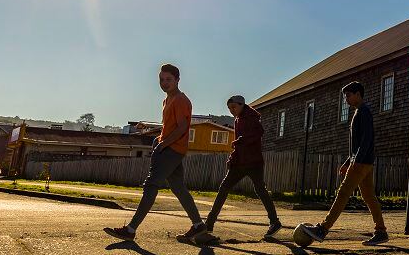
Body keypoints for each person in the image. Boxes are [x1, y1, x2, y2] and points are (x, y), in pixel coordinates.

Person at [104, 64, 206, 243]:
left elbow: (183, 128)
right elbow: (169, 127)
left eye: (169, 79)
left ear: (177, 80)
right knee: (178, 188)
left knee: (151, 185)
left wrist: (163, 144)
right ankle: (198, 225)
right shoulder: (167, 100)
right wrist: (156, 136)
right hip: (169, 147)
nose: (164, 83)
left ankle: (130, 229)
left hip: (171, 149)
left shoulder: (181, 100)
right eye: (161, 79)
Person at [297, 81, 388, 246]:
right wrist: (348, 161)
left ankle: (323, 229)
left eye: (348, 95)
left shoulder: (364, 111)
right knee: (369, 197)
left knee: (343, 193)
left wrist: (356, 160)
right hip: (364, 161)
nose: (346, 99)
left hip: (361, 162)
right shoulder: (358, 112)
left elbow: (367, 138)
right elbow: (357, 143)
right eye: (345, 95)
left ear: (358, 94)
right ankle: (381, 231)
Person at [198, 95, 282, 244]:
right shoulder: (238, 119)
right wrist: (232, 158)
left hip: (253, 162)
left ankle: (274, 222)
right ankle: (209, 224)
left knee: (260, 190)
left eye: (234, 107)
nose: (232, 111)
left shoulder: (252, 117)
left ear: (242, 105)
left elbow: (258, 133)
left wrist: (240, 141)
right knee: (224, 188)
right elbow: (239, 144)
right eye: (229, 108)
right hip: (240, 163)